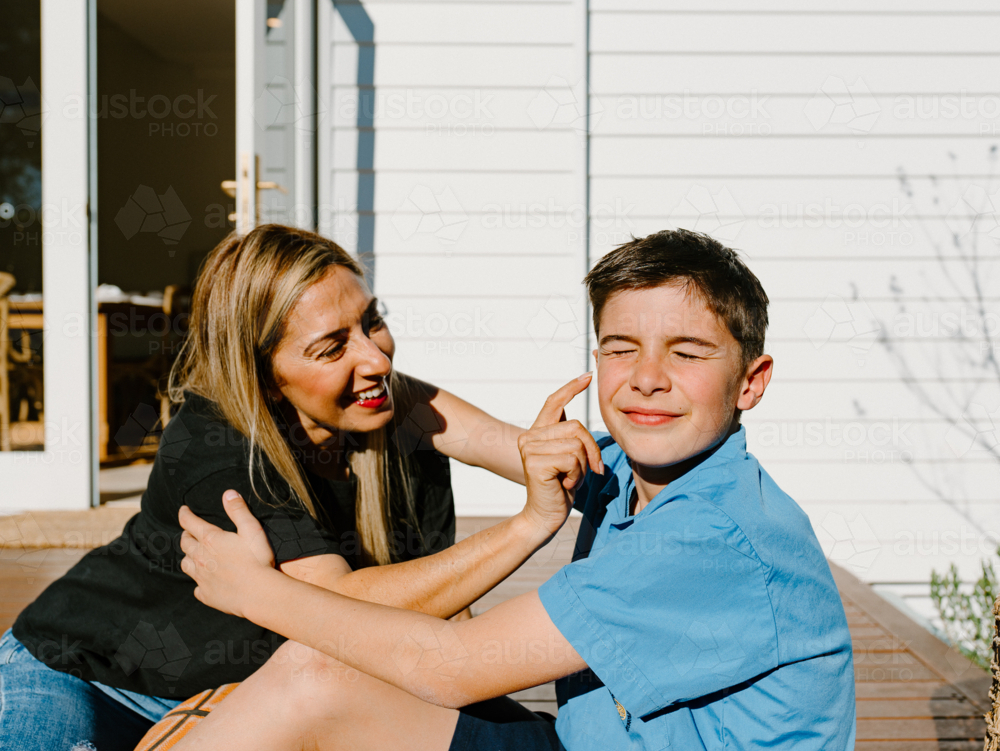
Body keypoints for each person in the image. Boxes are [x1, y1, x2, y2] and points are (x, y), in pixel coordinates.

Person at [174, 228, 857, 751]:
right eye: (621, 347)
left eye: (686, 351)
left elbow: (455, 667)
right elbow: (485, 438)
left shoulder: (709, 537)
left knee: (313, 679)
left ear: (751, 381)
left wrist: (256, 591)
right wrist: (353, 380)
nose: (647, 376)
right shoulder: (639, 473)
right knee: (326, 675)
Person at [0, 224, 587, 751]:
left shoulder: (388, 403)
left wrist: (647, 457)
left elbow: (526, 452)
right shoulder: (217, 444)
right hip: (84, 672)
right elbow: (341, 606)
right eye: (332, 346)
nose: (376, 359)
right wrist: (526, 526)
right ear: (265, 374)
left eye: (372, 321)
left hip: (252, 694)